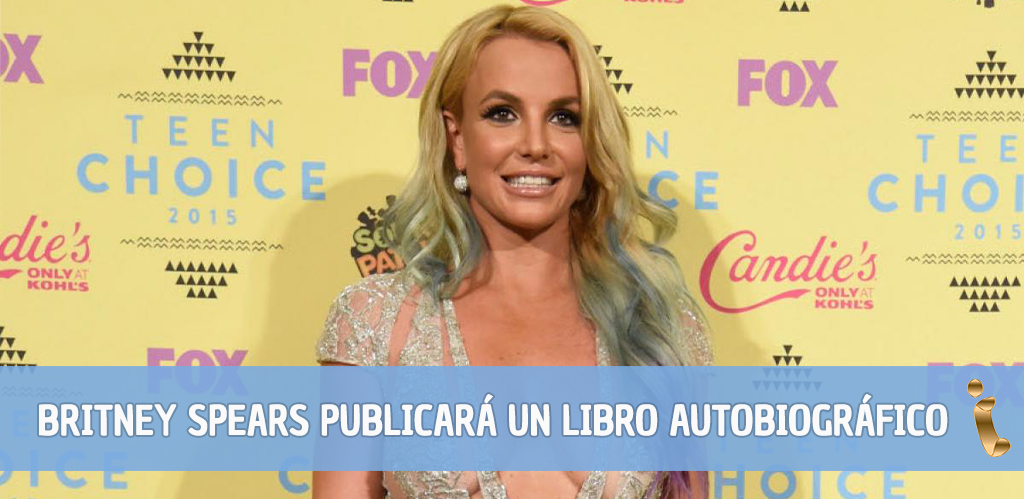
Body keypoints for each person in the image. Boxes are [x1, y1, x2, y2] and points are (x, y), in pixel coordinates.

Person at [314, 4, 712, 498]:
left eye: (564, 117)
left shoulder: (661, 327)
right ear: (457, 138)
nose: (536, 145)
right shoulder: (375, 322)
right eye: (502, 114)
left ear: (590, 143)